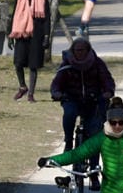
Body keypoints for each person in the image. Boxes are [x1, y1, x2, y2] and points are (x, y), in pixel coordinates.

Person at [50, 37, 116, 183]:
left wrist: (108, 92)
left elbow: (108, 81)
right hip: (72, 99)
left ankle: (93, 171)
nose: (79, 53)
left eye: (82, 50)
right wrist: (57, 93)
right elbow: (56, 84)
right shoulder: (67, 65)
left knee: (95, 134)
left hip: (93, 101)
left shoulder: (97, 64)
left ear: (88, 50)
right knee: (69, 113)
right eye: (76, 50)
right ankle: (68, 141)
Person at [9, 0, 50, 102]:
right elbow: (13, 15)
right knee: (18, 63)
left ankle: (31, 93)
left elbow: (47, 18)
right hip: (21, 33)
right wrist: (10, 34)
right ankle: (22, 86)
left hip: (37, 34)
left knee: (33, 65)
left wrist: (46, 36)